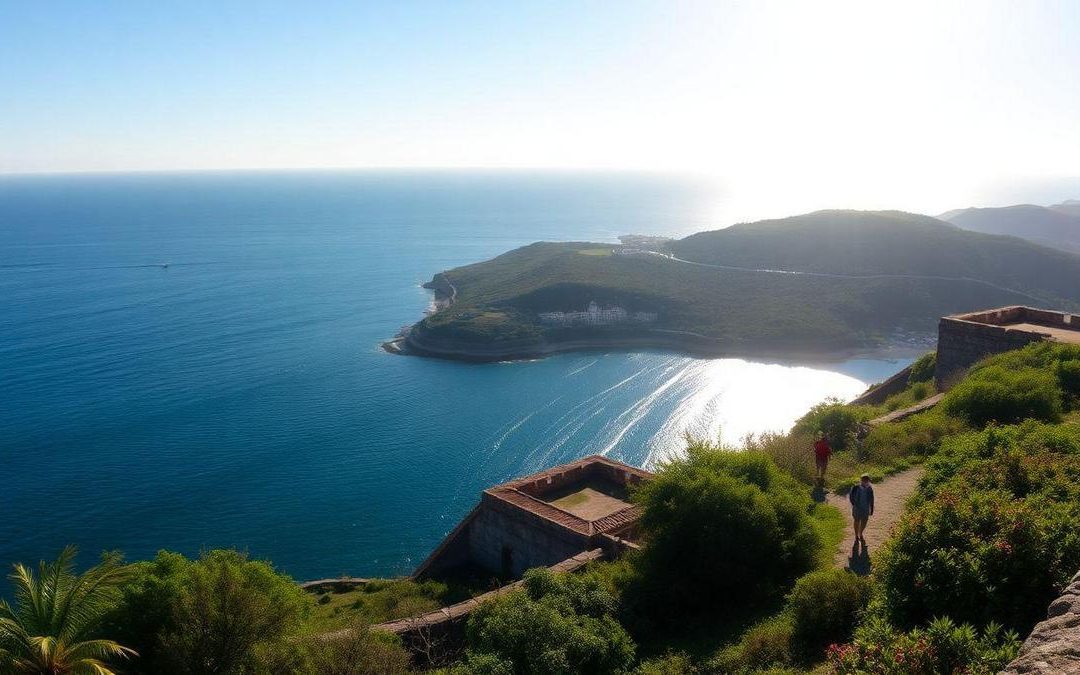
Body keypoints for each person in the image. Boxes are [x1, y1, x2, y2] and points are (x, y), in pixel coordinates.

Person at [849, 473, 875, 543]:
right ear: (861, 480)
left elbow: (872, 499)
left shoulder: (870, 489)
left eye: (867, 480)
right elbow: (851, 497)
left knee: (864, 521)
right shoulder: (856, 487)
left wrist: (871, 509)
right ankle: (856, 535)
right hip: (857, 508)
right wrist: (854, 505)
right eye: (864, 480)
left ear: (869, 481)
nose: (865, 482)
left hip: (866, 508)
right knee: (856, 521)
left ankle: (861, 533)